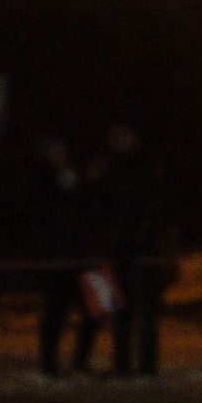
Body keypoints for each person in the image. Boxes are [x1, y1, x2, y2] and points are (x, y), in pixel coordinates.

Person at [89, 124, 169, 377]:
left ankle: (147, 365)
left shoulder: (144, 167)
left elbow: (150, 209)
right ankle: (122, 363)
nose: (119, 140)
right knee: (118, 307)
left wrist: (139, 241)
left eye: (124, 135)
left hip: (140, 249)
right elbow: (101, 205)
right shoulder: (108, 167)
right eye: (115, 136)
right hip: (116, 248)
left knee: (144, 309)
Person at [30, 133, 97, 375]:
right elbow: (45, 216)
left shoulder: (77, 175)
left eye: (60, 147)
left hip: (84, 254)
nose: (59, 152)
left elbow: (90, 209)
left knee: (96, 309)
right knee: (56, 313)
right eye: (52, 149)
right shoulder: (43, 179)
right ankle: (49, 365)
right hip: (58, 257)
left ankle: (80, 361)